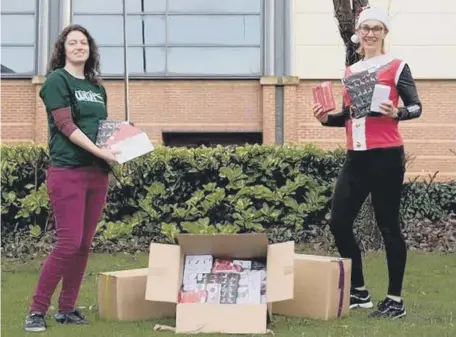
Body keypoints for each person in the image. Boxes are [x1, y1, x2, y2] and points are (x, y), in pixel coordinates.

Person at [313, 6, 422, 320]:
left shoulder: (397, 65)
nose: (371, 33)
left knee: (389, 228)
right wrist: (325, 119)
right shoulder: (350, 72)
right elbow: (349, 116)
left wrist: (397, 113)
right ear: (357, 33)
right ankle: (359, 292)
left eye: (377, 28)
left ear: (384, 33)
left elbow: (416, 106)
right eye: (366, 28)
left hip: (386, 157)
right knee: (339, 222)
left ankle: (395, 301)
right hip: (355, 156)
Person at [24, 24, 119, 332]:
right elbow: (64, 125)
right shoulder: (56, 81)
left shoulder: (96, 87)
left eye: (84, 43)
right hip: (68, 172)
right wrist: (98, 151)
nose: (79, 46)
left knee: (83, 245)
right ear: (62, 49)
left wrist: (124, 141)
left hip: (97, 174)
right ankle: (37, 311)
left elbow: (102, 129)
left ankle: (67, 309)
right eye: (72, 42)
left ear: (90, 49)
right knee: (68, 243)